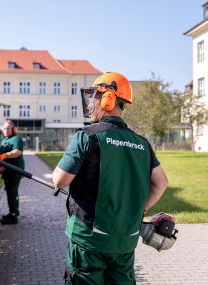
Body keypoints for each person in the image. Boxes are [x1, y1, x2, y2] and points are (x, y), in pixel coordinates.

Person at [52, 72, 168, 285]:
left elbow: (59, 181)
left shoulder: (87, 136)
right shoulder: (142, 143)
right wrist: (140, 208)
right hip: (125, 241)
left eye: (94, 97)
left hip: (89, 242)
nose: (90, 104)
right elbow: (161, 182)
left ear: (108, 99)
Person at [0, 120, 24, 225]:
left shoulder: (16, 139)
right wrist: (2, 166)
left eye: (8, 128)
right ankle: (11, 213)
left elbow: (17, 152)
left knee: (13, 193)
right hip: (7, 171)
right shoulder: (4, 140)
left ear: (13, 129)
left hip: (15, 170)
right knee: (9, 192)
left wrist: (5, 155)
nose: (6, 130)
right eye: (5, 128)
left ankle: (14, 216)